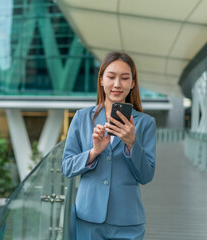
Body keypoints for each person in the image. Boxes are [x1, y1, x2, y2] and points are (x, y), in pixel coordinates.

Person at [62, 51, 156, 240]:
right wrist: (94, 151)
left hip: (128, 220)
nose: (117, 84)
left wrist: (132, 143)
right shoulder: (82, 118)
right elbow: (67, 167)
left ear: (133, 83)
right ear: (101, 80)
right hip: (88, 217)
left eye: (124, 78)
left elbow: (146, 176)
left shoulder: (145, 123)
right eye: (111, 77)